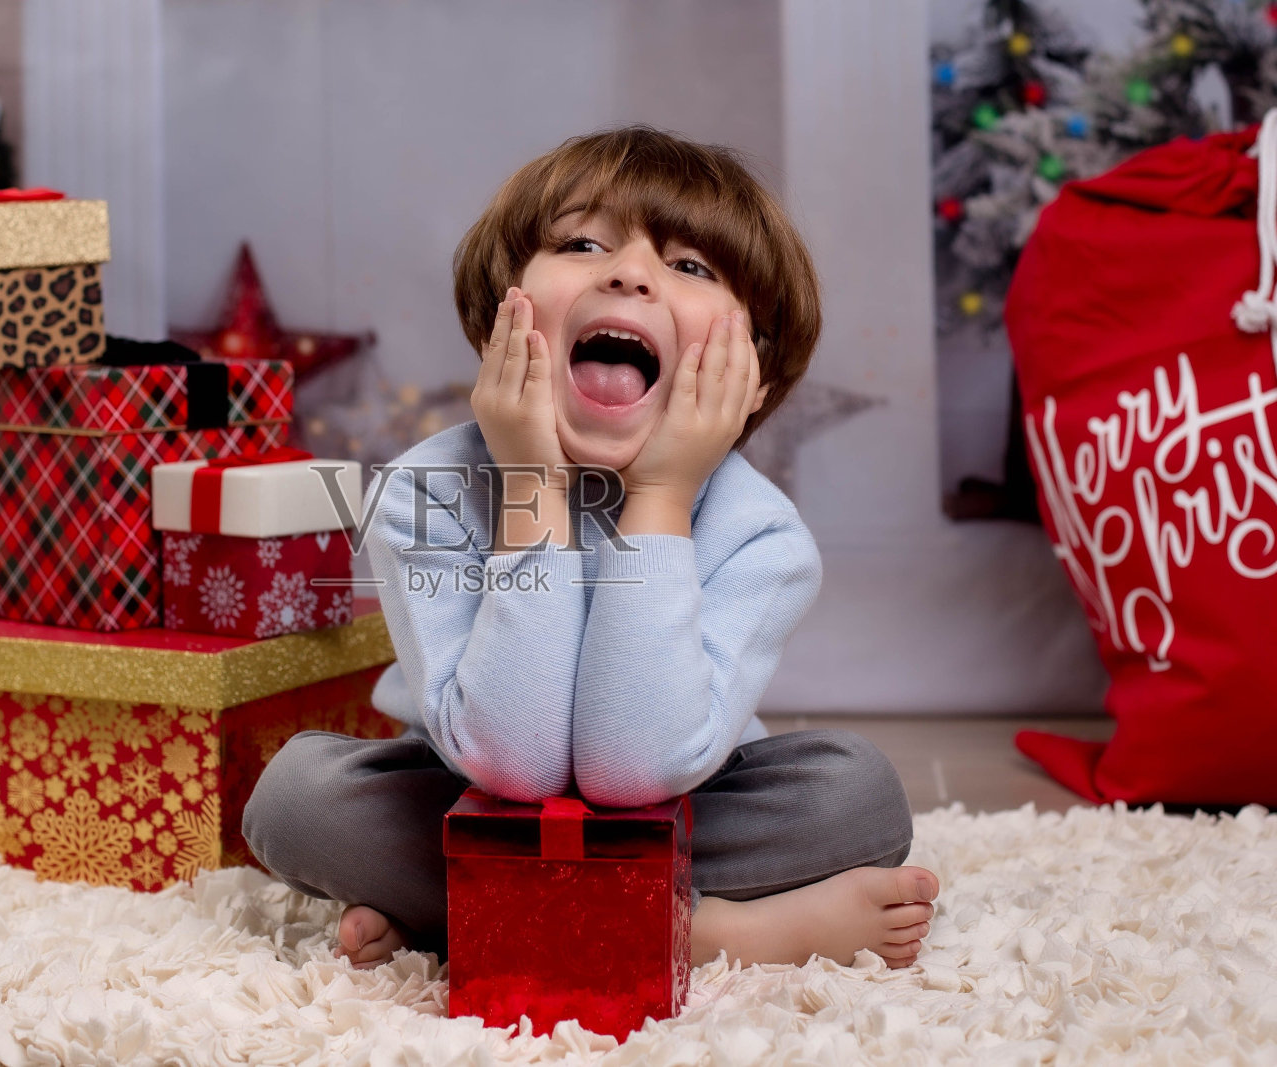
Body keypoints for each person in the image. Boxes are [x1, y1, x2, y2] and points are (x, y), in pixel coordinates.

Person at [243, 125, 939, 971]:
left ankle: (473, 917)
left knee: (855, 794)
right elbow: (517, 764)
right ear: (505, 306)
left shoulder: (762, 534)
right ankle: (708, 929)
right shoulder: (423, 494)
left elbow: (634, 770)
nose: (629, 272)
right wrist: (531, 479)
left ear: (748, 370)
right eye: (581, 243)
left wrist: (662, 496)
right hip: (474, 796)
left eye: (690, 267)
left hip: (686, 798)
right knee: (297, 799)